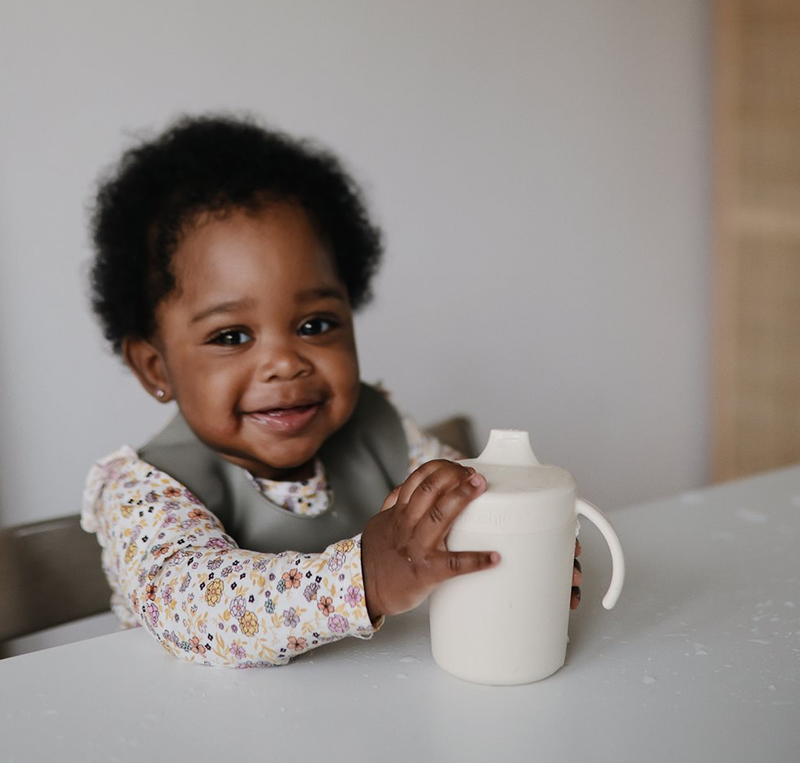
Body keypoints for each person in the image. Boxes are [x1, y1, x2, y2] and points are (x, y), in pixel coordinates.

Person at [81, 114, 581, 667]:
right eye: (231, 336)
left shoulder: (378, 425)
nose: (285, 362)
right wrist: (367, 576)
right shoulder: (146, 492)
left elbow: (456, 513)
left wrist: (518, 547)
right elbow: (201, 610)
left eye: (315, 324)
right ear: (155, 367)